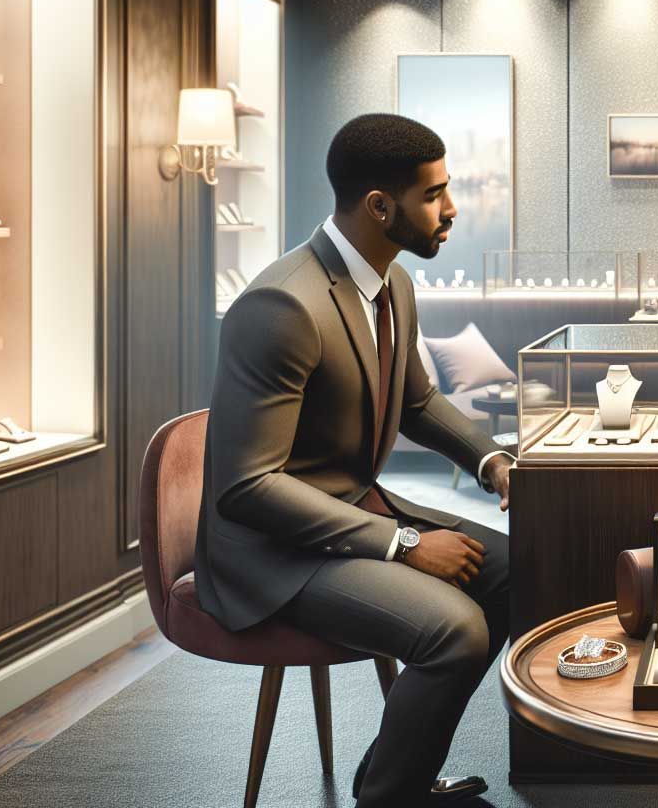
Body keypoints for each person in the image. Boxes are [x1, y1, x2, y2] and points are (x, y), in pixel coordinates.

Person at [194, 113, 513, 807]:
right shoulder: (282, 304)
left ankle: (390, 779)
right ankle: (391, 799)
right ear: (379, 206)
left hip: (340, 515)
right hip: (268, 553)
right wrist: (403, 543)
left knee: (513, 569)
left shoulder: (392, 283)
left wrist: (492, 462)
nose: (451, 210)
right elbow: (246, 488)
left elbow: (419, 403)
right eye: (434, 195)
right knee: (454, 629)